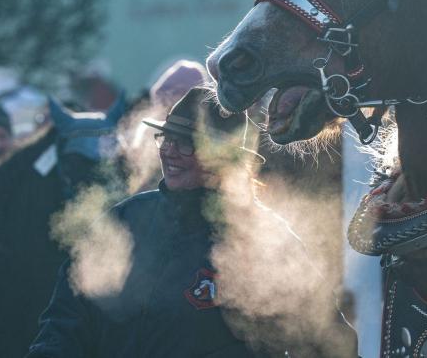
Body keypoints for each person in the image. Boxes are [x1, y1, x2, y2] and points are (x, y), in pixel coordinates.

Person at [26, 88, 271, 357]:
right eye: (166, 138)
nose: (169, 151)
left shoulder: (264, 241)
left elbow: (289, 343)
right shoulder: (124, 219)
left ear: (224, 156)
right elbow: (67, 318)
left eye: (186, 143)